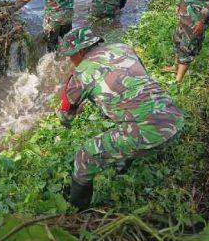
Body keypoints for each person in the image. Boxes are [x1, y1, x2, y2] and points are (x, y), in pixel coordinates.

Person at [56, 26, 185, 210]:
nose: (71, 61)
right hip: (174, 117)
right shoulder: (123, 48)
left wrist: (71, 112)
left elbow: (64, 116)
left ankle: (77, 210)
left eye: (71, 56)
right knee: (125, 113)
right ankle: (123, 162)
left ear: (81, 50)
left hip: (154, 134)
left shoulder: (81, 73)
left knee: (84, 157)